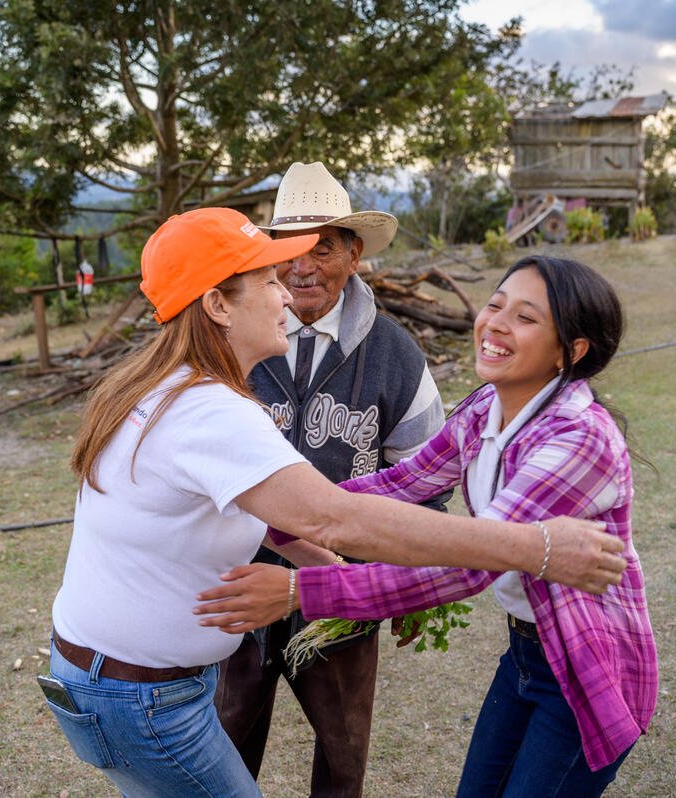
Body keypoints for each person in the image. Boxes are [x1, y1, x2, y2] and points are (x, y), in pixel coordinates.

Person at [44, 211, 628, 798]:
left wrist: (318, 556)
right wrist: (539, 547)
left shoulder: (165, 384)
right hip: (139, 698)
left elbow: (351, 495)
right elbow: (331, 514)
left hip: (117, 683)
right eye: (270, 281)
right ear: (219, 305)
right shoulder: (213, 410)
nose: (287, 290)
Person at [196, 255, 658, 797]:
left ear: (571, 350)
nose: (497, 325)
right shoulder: (487, 407)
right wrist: (291, 512)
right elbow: (401, 483)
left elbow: (471, 567)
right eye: (495, 304)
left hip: (586, 665)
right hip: (527, 657)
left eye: (526, 318)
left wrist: (302, 589)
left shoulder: (578, 440)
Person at [215, 160, 448, 798]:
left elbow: (428, 472)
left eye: (322, 247)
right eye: (289, 249)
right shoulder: (235, 336)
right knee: (225, 741)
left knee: (343, 752)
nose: (303, 266)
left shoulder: (393, 351)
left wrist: (406, 576)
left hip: (343, 593)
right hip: (236, 581)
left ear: (353, 254)